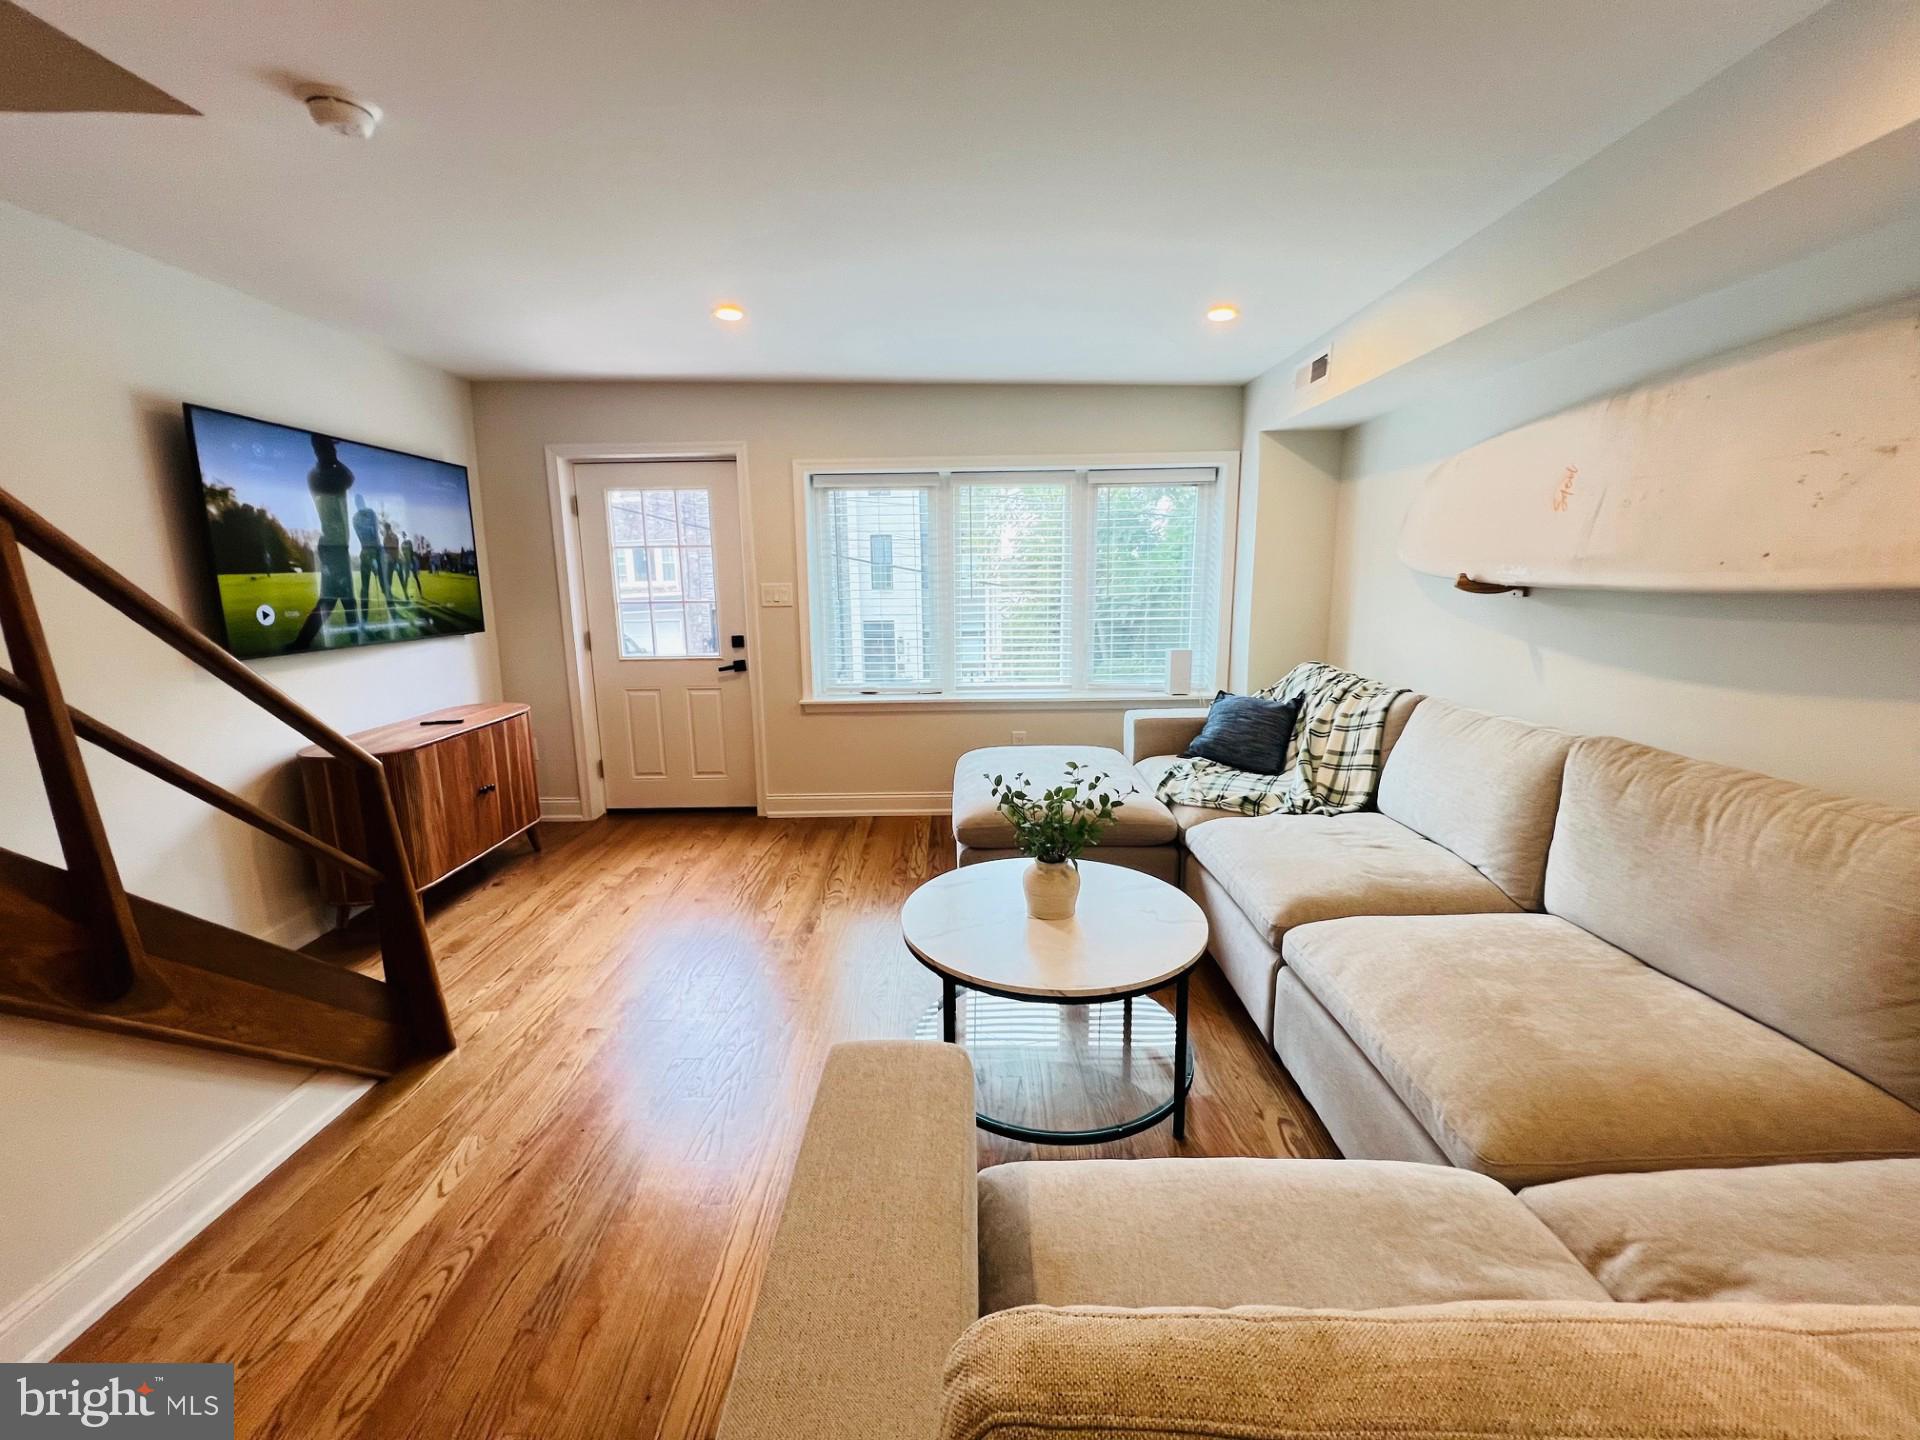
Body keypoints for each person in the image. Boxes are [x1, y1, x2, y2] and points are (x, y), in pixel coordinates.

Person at [289, 436, 359, 650]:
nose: (336, 453)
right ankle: (303, 642)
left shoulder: (322, 473)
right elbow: (349, 478)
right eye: (331, 448)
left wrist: (330, 456)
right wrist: (332, 459)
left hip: (337, 546)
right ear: (321, 450)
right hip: (333, 546)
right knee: (334, 600)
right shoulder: (320, 476)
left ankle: (354, 638)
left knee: (341, 599)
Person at [353, 497, 388, 618]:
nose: (359, 504)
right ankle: (364, 617)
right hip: (366, 552)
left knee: (384, 584)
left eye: (360, 502)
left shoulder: (371, 513)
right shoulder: (355, 518)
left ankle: (392, 612)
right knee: (365, 587)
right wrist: (371, 558)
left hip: (377, 552)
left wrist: (376, 557)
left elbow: (375, 532)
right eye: (357, 503)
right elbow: (362, 536)